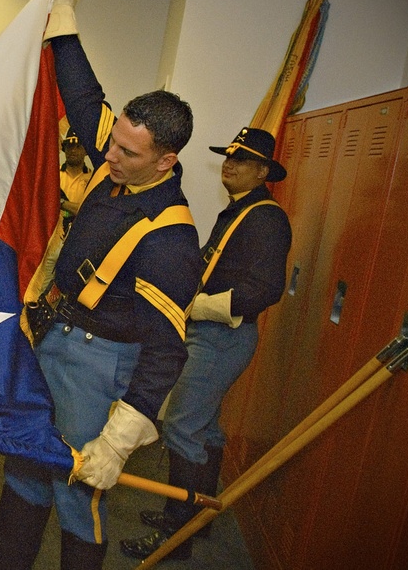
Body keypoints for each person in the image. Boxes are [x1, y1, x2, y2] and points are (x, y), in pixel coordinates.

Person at [0, 0, 201, 569]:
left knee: (79, 499)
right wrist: (64, 15)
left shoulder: (171, 239)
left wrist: (117, 440)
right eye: (114, 143)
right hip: (56, 339)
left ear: (166, 160)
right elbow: (83, 95)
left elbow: (166, 352)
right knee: (25, 469)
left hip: (101, 367)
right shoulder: (123, 155)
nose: (107, 154)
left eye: (125, 153)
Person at [120, 127, 292, 561]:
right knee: (205, 427)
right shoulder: (239, 210)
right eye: (228, 156)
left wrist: (201, 308)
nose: (229, 164)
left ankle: (176, 540)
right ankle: (196, 519)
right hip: (211, 334)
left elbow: (266, 288)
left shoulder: (267, 217)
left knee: (180, 425)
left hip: (223, 336)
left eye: (242, 159)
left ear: (263, 171)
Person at [59, 133, 92, 233]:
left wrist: (61, 203)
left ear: (85, 150)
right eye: (69, 146)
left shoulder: (93, 178)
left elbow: (89, 211)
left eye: (78, 147)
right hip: (55, 234)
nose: (73, 150)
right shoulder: (53, 175)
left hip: (80, 232)